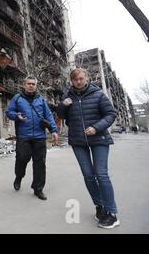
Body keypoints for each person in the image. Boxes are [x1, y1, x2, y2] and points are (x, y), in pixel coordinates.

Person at [57, 68, 119, 229]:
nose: (78, 81)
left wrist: (96, 128)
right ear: (71, 80)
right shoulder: (67, 96)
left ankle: (112, 213)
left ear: (87, 78)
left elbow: (111, 114)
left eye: (81, 78)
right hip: (78, 141)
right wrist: (63, 105)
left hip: (99, 139)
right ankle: (100, 206)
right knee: (88, 176)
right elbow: (61, 115)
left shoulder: (98, 94)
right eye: (75, 79)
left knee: (101, 174)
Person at [6, 76, 58, 200]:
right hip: (23, 136)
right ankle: (19, 176)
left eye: (33, 84)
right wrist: (16, 116)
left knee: (40, 163)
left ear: (36, 86)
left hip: (40, 136)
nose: (31, 86)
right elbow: (9, 112)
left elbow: (48, 115)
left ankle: (38, 188)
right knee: (22, 158)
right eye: (28, 83)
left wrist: (54, 130)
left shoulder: (41, 99)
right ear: (24, 85)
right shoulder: (17, 98)